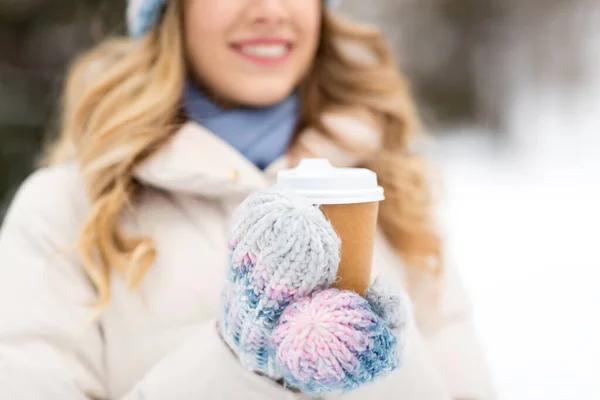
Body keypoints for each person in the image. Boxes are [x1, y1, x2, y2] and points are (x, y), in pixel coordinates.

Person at [0, 0, 495, 399]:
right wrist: (237, 360)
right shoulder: (65, 211)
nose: (270, 9)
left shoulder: (389, 187)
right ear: (171, 11)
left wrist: (385, 358)